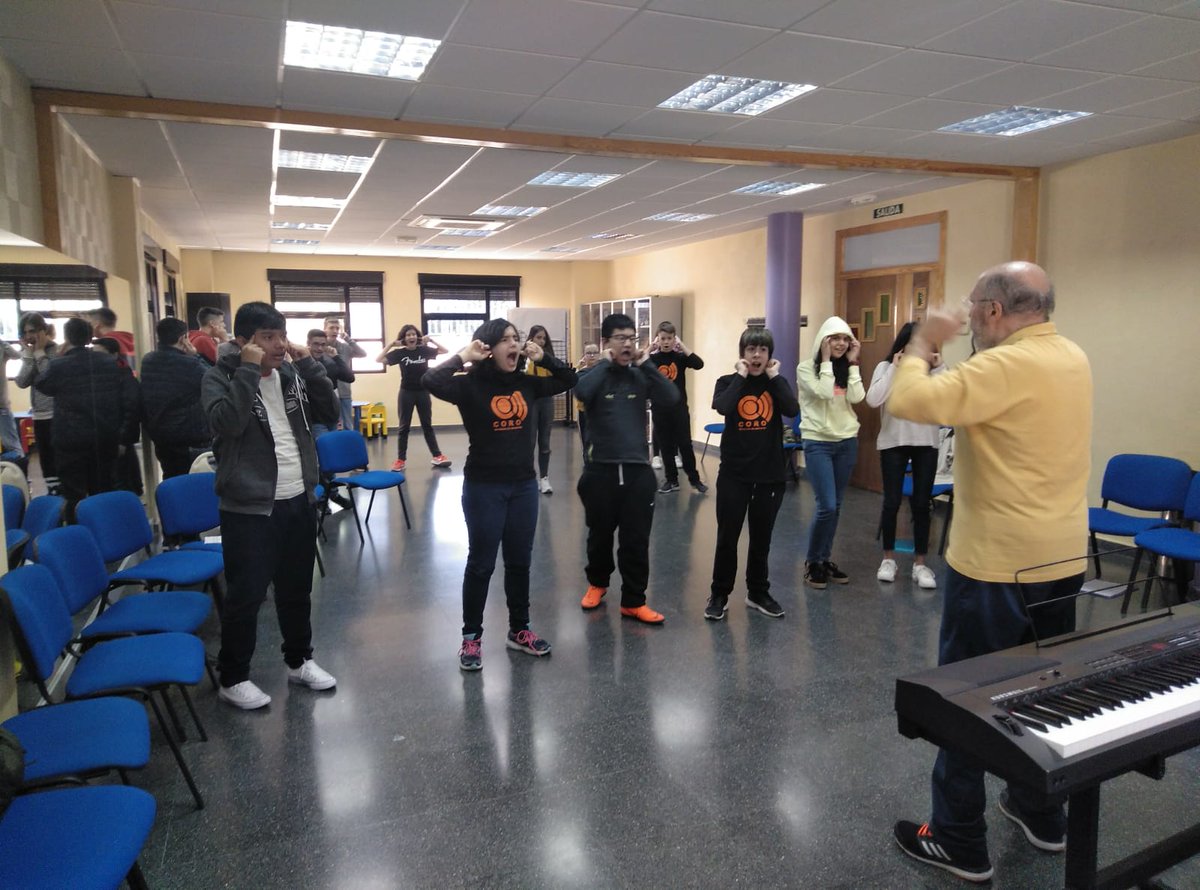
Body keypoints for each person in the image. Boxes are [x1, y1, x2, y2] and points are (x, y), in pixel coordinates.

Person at [889, 262, 1092, 883]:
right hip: (1060, 557)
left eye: (974, 306)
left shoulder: (1004, 365)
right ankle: (1042, 811)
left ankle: (957, 839)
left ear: (995, 312)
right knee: (1040, 688)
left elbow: (909, 400)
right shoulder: (1072, 355)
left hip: (997, 565)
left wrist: (925, 340)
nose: (969, 315)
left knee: (967, 700)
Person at [201, 301, 341, 710]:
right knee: (246, 595)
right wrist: (247, 370)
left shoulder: (289, 373)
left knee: (296, 588)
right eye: (268, 338)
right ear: (244, 342)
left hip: (298, 497)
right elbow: (228, 424)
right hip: (249, 507)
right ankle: (233, 677)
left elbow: (329, 412)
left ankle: (300, 661)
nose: (279, 345)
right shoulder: (217, 377)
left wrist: (309, 365)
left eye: (281, 336)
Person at [423, 319, 577, 671]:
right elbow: (430, 380)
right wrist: (463, 354)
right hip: (484, 487)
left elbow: (571, 380)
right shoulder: (470, 385)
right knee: (481, 564)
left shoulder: (527, 383)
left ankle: (519, 630)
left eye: (516, 339)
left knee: (520, 561)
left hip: (523, 486)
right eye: (505, 339)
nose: (514, 344)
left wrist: (546, 358)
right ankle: (471, 638)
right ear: (489, 348)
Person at [574, 313, 679, 624]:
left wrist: (646, 362)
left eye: (630, 338)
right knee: (600, 536)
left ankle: (633, 601)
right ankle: (598, 584)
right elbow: (580, 392)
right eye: (620, 338)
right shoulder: (595, 375)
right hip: (600, 471)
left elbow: (671, 397)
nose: (626, 344)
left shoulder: (639, 375)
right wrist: (605, 362)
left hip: (637, 473)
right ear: (607, 343)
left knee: (636, 540)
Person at [706, 327, 799, 620]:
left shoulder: (776, 384)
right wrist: (741, 376)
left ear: (769, 355)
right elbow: (722, 407)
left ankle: (757, 591)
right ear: (742, 354)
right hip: (735, 474)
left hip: (770, 475)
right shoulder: (727, 382)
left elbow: (792, 409)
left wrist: (774, 377)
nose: (757, 355)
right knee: (727, 537)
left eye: (762, 350)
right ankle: (720, 593)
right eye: (751, 349)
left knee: (762, 538)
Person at [865, 322, 945, 590]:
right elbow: (873, 399)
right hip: (893, 442)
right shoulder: (886, 367)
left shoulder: (933, 372)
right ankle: (888, 559)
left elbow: (946, 404)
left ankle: (920, 564)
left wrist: (940, 368)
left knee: (922, 504)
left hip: (926, 443)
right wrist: (895, 369)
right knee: (891, 502)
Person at [34, 318, 139, 515]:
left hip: (70, 440)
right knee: (104, 491)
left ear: (67, 338)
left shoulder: (60, 365)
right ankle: (107, 535)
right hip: (105, 437)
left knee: (74, 495)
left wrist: (53, 356)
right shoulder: (110, 363)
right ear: (91, 337)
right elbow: (127, 398)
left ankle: (80, 536)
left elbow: (42, 385)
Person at [797, 317, 864, 589]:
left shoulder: (847, 368)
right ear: (823, 340)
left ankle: (824, 560)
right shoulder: (806, 369)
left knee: (835, 506)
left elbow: (858, 397)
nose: (840, 343)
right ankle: (813, 561)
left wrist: (854, 364)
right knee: (825, 505)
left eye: (845, 338)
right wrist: (825, 360)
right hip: (818, 443)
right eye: (834, 338)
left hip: (846, 441)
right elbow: (824, 392)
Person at [140, 317, 211, 478]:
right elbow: (213, 379)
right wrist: (195, 355)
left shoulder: (148, 360)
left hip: (161, 434)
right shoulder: (190, 364)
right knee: (194, 483)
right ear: (183, 339)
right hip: (189, 437)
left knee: (171, 477)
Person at [377, 325, 451, 472]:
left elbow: (445, 351)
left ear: (417, 337)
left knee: (427, 425)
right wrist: (391, 344)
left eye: (413, 334)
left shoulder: (424, 350)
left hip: (423, 391)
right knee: (404, 427)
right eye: (408, 335)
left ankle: (437, 456)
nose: (411, 337)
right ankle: (400, 460)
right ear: (404, 338)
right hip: (406, 393)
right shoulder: (400, 353)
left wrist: (431, 341)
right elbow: (379, 359)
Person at [646, 321, 707, 494]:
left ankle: (695, 480)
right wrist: (651, 347)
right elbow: (637, 364)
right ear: (658, 339)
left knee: (685, 445)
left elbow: (698, 364)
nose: (666, 342)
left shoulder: (679, 358)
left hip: (679, 409)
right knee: (665, 446)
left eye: (670, 338)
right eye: (663, 338)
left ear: (674, 339)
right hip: (659, 409)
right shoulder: (653, 359)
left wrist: (682, 346)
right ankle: (672, 481)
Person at [93, 337, 143, 495]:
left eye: (101, 354)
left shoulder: (124, 376)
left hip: (119, 443)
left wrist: (123, 440)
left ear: (114, 355)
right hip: (101, 442)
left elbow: (131, 410)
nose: (96, 359)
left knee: (121, 485)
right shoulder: (96, 377)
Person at [15, 313, 59, 492]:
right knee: (46, 461)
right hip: (39, 415)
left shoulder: (56, 351)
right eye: (25, 333)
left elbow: (50, 378)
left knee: (59, 460)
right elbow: (21, 381)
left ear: (43, 330)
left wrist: (40, 353)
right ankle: (53, 493)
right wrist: (28, 356)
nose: (28, 336)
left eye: (32, 331)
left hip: (57, 414)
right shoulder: (31, 353)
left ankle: (64, 497)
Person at [522, 324, 557, 494]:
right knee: (528, 442)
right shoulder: (524, 356)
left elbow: (556, 376)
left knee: (545, 442)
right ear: (531, 338)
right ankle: (529, 477)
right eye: (538, 338)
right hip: (530, 402)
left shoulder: (548, 357)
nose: (541, 341)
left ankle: (544, 478)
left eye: (544, 338)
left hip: (546, 401)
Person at [307, 328, 356, 438]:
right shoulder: (302, 365)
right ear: (308, 343)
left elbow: (350, 377)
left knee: (332, 452)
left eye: (323, 345)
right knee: (322, 451)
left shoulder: (330, 363)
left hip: (332, 419)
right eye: (316, 344)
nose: (319, 348)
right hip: (315, 421)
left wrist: (336, 357)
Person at [323, 316, 366, 431]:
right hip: (327, 392)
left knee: (348, 424)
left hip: (345, 392)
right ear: (325, 330)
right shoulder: (320, 348)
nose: (335, 331)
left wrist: (349, 340)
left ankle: (349, 447)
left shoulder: (344, 347)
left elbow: (363, 354)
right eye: (331, 328)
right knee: (332, 424)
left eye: (337, 328)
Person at [0, 339, 26, 467]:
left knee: (11, 443)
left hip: (1, 404)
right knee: (11, 443)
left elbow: (18, 356)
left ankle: (20, 471)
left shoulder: (2, 347)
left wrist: (4, 344)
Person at [575, 343, 600, 460]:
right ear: (584, 356)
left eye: (595, 352)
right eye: (589, 353)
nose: (592, 356)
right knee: (586, 438)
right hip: (584, 411)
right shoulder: (580, 373)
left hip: (599, 411)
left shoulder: (603, 371)